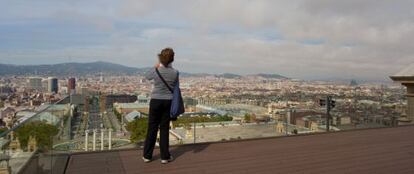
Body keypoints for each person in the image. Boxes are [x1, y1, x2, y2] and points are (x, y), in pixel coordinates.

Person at [142, 48, 178, 164]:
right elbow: (175, 87)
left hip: (156, 101)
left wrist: (156, 66)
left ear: (161, 58)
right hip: (168, 102)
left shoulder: (156, 70)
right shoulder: (175, 72)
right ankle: (164, 157)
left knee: (152, 128)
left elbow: (146, 76)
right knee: (164, 129)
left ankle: (147, 156)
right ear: (172, 59)